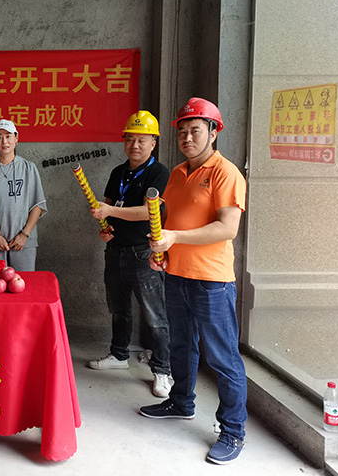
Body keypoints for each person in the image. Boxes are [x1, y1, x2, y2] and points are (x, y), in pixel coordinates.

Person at [138, 98, 248, 466]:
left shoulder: (226, 173)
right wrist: (164, 252)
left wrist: (174, 238)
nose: (187, 137)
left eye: (195, 131)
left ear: (213, 132)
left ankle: (233, 430)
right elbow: (170, 220)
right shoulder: (176, 173)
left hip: (211, 282)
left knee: (223, 357)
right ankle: (181, 402)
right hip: (176, 276)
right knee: (181, 346)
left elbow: (227, 228)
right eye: (182, 131)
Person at [86, 111, 173, 399]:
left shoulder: (158, 173)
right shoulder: (118, 173)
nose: (135, 145)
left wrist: (110, 210)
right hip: (116, 251)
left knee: (155, 315)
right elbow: (107, 208)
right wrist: (105, 228)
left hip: (143, 254)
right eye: (130, 139)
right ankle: (119, 354)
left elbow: (150, 211)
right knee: (118, 308)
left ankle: (163, 370)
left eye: (141, 140)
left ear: (153, 143)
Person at [0, 119, 47, 271]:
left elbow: (37, 205)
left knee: (23, 283)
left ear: (16, 138)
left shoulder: (29, 168)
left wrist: (24, 234)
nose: (4, 141)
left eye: (8, 136)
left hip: (24, 243)